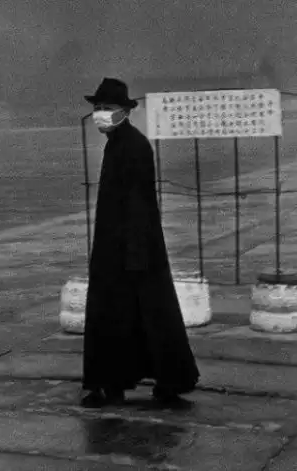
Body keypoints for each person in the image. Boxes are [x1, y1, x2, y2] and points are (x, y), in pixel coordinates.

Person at [81, 78, 200, 408]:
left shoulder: (134, 146)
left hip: (133, 248)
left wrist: (134, 255)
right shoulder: (118, 143)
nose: (100, 114)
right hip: (118, 247)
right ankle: (114, 384)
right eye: (97, 108)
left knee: (146, 316)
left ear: (124, 111)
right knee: (125, 317)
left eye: (107, 108)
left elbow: (139, 203)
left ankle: (162, 383)